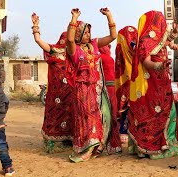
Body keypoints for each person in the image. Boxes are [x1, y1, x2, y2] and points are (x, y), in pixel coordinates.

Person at [65, 7, 116, 163]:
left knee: (102, 116)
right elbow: (69, 40)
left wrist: (109, 16)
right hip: (82, 89)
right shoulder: (75, 50)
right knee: (86, 118)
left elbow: (113, 36)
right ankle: (87, 147)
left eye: (89, 32)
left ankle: (97, 145)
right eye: (85, 32)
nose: (88, 35)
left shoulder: (94, 45)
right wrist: (74, 19)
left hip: (97, 88)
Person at [128, 10, 178, 159]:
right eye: (160, 20)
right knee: (154, 113)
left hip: (162, 83)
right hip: (151, 85)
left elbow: (167, 40)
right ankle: (151, 146)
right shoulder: (146, 40)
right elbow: (145, 62)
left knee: (166, 111)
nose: (163, 24)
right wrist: (160, 65)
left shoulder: (157, 38)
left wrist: (174, 34)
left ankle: (163, 142)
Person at [31, 13, 73, 153]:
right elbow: (38, 41)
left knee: (70, 116)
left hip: (71, 93)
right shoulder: (54, 50)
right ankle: (53, 144)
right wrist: (36, 26)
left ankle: (69, 142)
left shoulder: (74, 53)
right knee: (55, 116)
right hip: (56, 95)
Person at [115, 26, 138, 143]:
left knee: (128, 104)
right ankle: (124, 130)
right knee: (127, 105)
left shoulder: (138, 47)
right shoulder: (136, 47)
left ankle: (125, 130)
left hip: (127, 79)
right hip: (129, 79)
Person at [99, 45, 122, 153]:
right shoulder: (108, 58)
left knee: (104, 116)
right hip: (111, 88)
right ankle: (114, 144)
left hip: (104, 88)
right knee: (113, 115)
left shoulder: (99, 57)